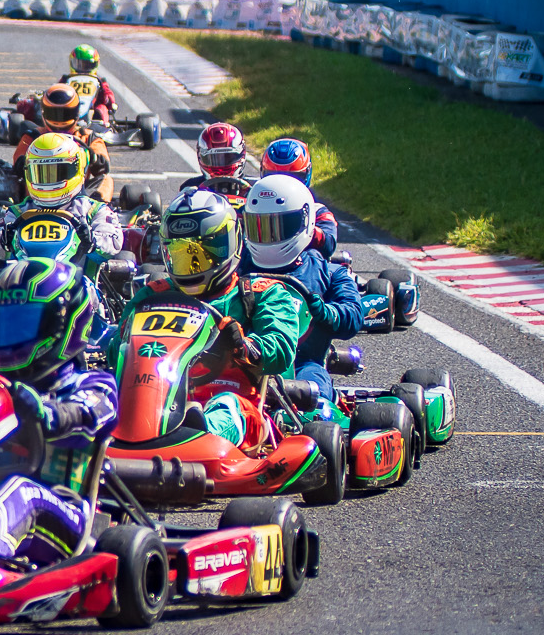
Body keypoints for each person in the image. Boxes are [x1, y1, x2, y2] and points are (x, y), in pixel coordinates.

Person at [115, 189, 308, 451]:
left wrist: (242, 346)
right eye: (181, 255)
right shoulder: (152, 296)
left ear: (227, 245)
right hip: (155, 396)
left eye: (199, 255)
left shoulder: (260, 294)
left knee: (226, 407)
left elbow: (282, 347)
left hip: (238, 399)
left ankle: (199, 433)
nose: (190, 266)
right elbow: (117, 351)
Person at [0, 259, 118, 568]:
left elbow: (85, 416)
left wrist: (44, 413)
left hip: (64, 514)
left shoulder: (94, 385)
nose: (9, 336)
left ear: (63, 326)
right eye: (4, 325)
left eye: (21, 325)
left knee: (21, 493)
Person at [239, 175, 362, 410]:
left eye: (278, 227)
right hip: (245, 359)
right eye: (261, 228)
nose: (268, 237)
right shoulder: (239, 267)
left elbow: (354, 316)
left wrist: (325, 312)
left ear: (305, 223)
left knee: (313, 397)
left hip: (303, 361)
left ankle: (319, 418)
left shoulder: (329, 272)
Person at [0, 133, 124, 264]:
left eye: (57, 173)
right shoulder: (18, 212)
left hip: (78, 280)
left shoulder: (93, 210)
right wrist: (5, 240)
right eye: (41, 173)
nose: (48, 181)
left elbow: (113, 243)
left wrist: (92, 240)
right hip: (25, 279)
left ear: (75, 169)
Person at [12, 84, 113, 199]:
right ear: (44, 113)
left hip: (78, 196)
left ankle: (95, 209)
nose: (59, 120)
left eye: (65, 114)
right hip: (39, 193)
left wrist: (92, 157)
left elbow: (103, 166)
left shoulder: (87, 137)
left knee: (106, 179)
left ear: (76, 113)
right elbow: (18, 164)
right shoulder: (33, 136)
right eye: (54, 114)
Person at [256, 137, 338, 256]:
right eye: (275, 176)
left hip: (301, 268)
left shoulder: (317, 212)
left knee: (340, 272)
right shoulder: (252, 207)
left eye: (292, 177)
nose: (284, 184)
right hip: (255, 266)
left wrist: (304, 228)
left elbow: (329, 245)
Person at [179, 122, 249, 199]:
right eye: (213, 158)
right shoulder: (190, 188)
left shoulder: (254, 188)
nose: (221, 164)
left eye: (227, 158)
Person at [61, 43, 118, 128]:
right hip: (68, 111)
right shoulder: (66, 80)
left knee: (102, 108)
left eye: (87, 65)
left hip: (92, 112)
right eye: (79, 65)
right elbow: (54, 92)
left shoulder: (100, 81)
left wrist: (109, 101)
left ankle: (103, 128)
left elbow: (108, 94)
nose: (83, 69)